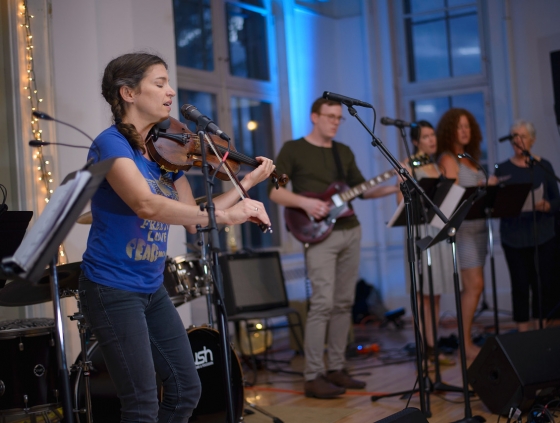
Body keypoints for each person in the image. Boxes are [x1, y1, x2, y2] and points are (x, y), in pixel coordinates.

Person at [78, 52, 275, 422]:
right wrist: (232, 214)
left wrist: (245, 184)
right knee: (141, 404)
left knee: (187, 389)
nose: (171, 92)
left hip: (151, 288)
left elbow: (196, 220)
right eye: (159, 83)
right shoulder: (110, 144)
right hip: (112, 288)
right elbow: (145, 205)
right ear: (128, 93)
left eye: (169, 82)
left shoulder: (165, 155)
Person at [268, 98, 398, 399]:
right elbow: (275, 191)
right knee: (323, 304)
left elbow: (363, 191)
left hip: (350, 231)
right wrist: (306, 202)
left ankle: (337, 367)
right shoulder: (293, 149)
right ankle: (313, 375)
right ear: (314, 116)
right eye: (330, 116)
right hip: (317, 236)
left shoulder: (344, 152)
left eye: (339, 118)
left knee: (343, 303)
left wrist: (395, 184)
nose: (335, 122)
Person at [395, 120, 457, 366]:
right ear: (414, 141)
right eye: (426, 136)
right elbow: (399, 203)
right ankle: (424, 349)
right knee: (422, 294)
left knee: (436, 293)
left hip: (437, 230)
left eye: (433, 135)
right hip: (419, 229)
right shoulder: (406, 165)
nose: (432, 140)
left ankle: (435, 346)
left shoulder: (437, 166)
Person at [436, 108, 494, 361]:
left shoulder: (470, 157)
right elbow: (453, 194)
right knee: (475, 285)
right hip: (464, 231)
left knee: (473, 287)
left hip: (480, 228)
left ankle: (465, 339)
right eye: (459, 127)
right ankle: (466, 344)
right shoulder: (449, 159)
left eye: (468, 126)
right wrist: (482, 185)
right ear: (450, 130)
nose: (464, 131)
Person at [494, 120, 560, 332]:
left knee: (541, 284)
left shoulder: (543, 166)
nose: (517, 140)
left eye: (522, 136)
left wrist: (547, 205)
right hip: (513, 237)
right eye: (514, 135)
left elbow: (558, 200)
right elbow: (494, 204)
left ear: (531, 140)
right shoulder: (501, 169)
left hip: (541, 235)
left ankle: (541, 328)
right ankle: (523, 331)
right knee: (520, 285)